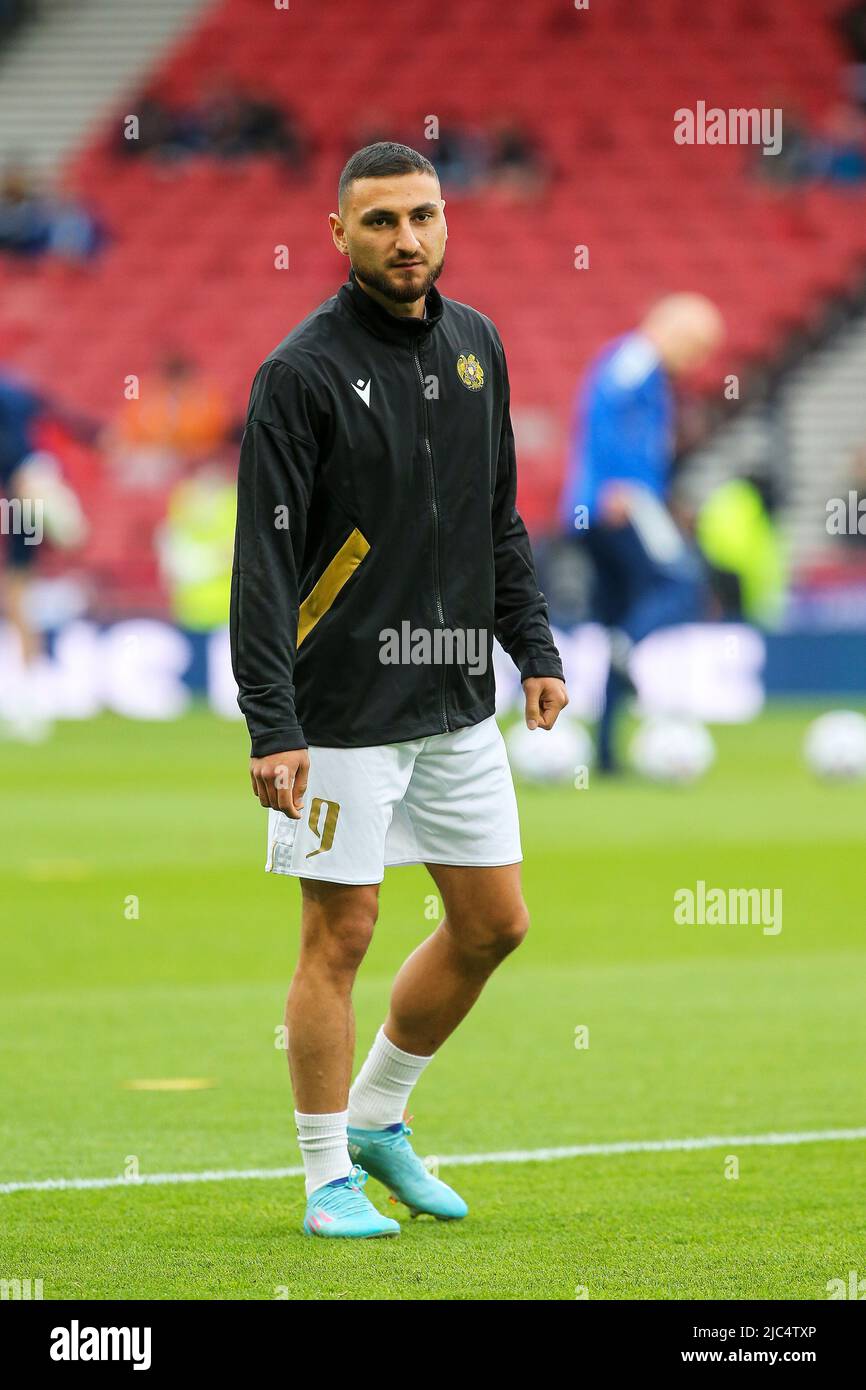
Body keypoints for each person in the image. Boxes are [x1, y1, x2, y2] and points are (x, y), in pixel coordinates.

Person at [230, 141, 568, 1238]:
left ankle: (379, 1117)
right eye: (379, 221)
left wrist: (535, 647)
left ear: (444, 220)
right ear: (338, 234)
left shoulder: (477, 347)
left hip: (455, 699)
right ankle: (328, 1174)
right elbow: (263, 563)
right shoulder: (299, 373)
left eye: (422, 215)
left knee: (493, 922)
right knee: (340, 934)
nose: (406, 238)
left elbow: (495, 515)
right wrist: (271, 721)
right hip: (340, 716)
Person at [559, 294, 724, 771]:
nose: (697, 359)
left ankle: (605, 754)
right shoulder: (636, 360)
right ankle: (626, 647)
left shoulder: (645, 370)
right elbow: (604, 417)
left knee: (617, 616)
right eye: (697, 345)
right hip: (620, 503)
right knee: (683, 582)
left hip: (594, 509)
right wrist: (617, 485)